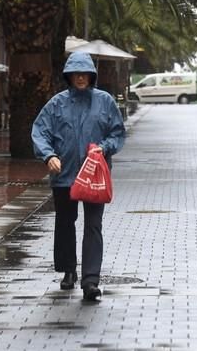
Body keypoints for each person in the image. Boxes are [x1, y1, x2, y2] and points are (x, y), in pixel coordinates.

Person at [31, 52, 126, 301]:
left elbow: (117, 133)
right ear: (69, 76)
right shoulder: (56, 104)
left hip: (95, 176)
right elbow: (40, 131)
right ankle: (69, 270)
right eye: (76, 73)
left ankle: (91, 280)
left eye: (85, 73)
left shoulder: (105, 102)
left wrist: (105, 147)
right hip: (64, 175)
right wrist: (48, 155)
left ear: (92, 76)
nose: (81, 77)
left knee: (93, 225)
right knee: (65, 222)